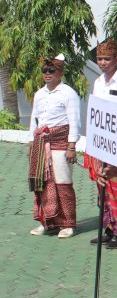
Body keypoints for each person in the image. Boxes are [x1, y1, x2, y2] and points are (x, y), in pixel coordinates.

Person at [85, 39, 117, 249]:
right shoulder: (98, 82)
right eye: (99, 59)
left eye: (107, 58)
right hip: (102, 140)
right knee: (103, 186)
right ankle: (109, 228)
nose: (103, 63)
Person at [29, 54, 80, 238]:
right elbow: (34, 120)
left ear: (61, 72)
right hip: (41, 144)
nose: (47, 74)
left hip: (60, 142)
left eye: (52, 70)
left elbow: (74, 121)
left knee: (63, 182)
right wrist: (31, 143)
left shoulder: (68, 93)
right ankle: (47, 221)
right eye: (45, 71)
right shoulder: (39, 94)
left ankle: (68, 224)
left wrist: (71, 146)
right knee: (41, 183)